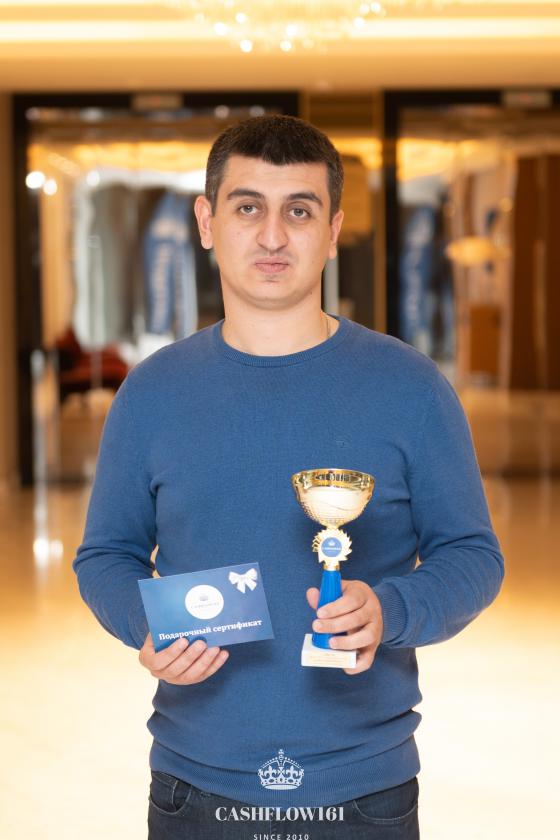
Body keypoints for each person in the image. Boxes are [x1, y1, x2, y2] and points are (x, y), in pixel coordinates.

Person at [72, 114, 505, 840]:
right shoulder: (151, 393)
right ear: (207, 222)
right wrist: (148, 626)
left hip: (364, 789)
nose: (273, 236)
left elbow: (473, 555)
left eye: (299, 211)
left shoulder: (410, 386)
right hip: (194, 786)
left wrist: (390, 609)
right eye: (248, 207)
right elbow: (105, 556)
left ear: (332, 232)